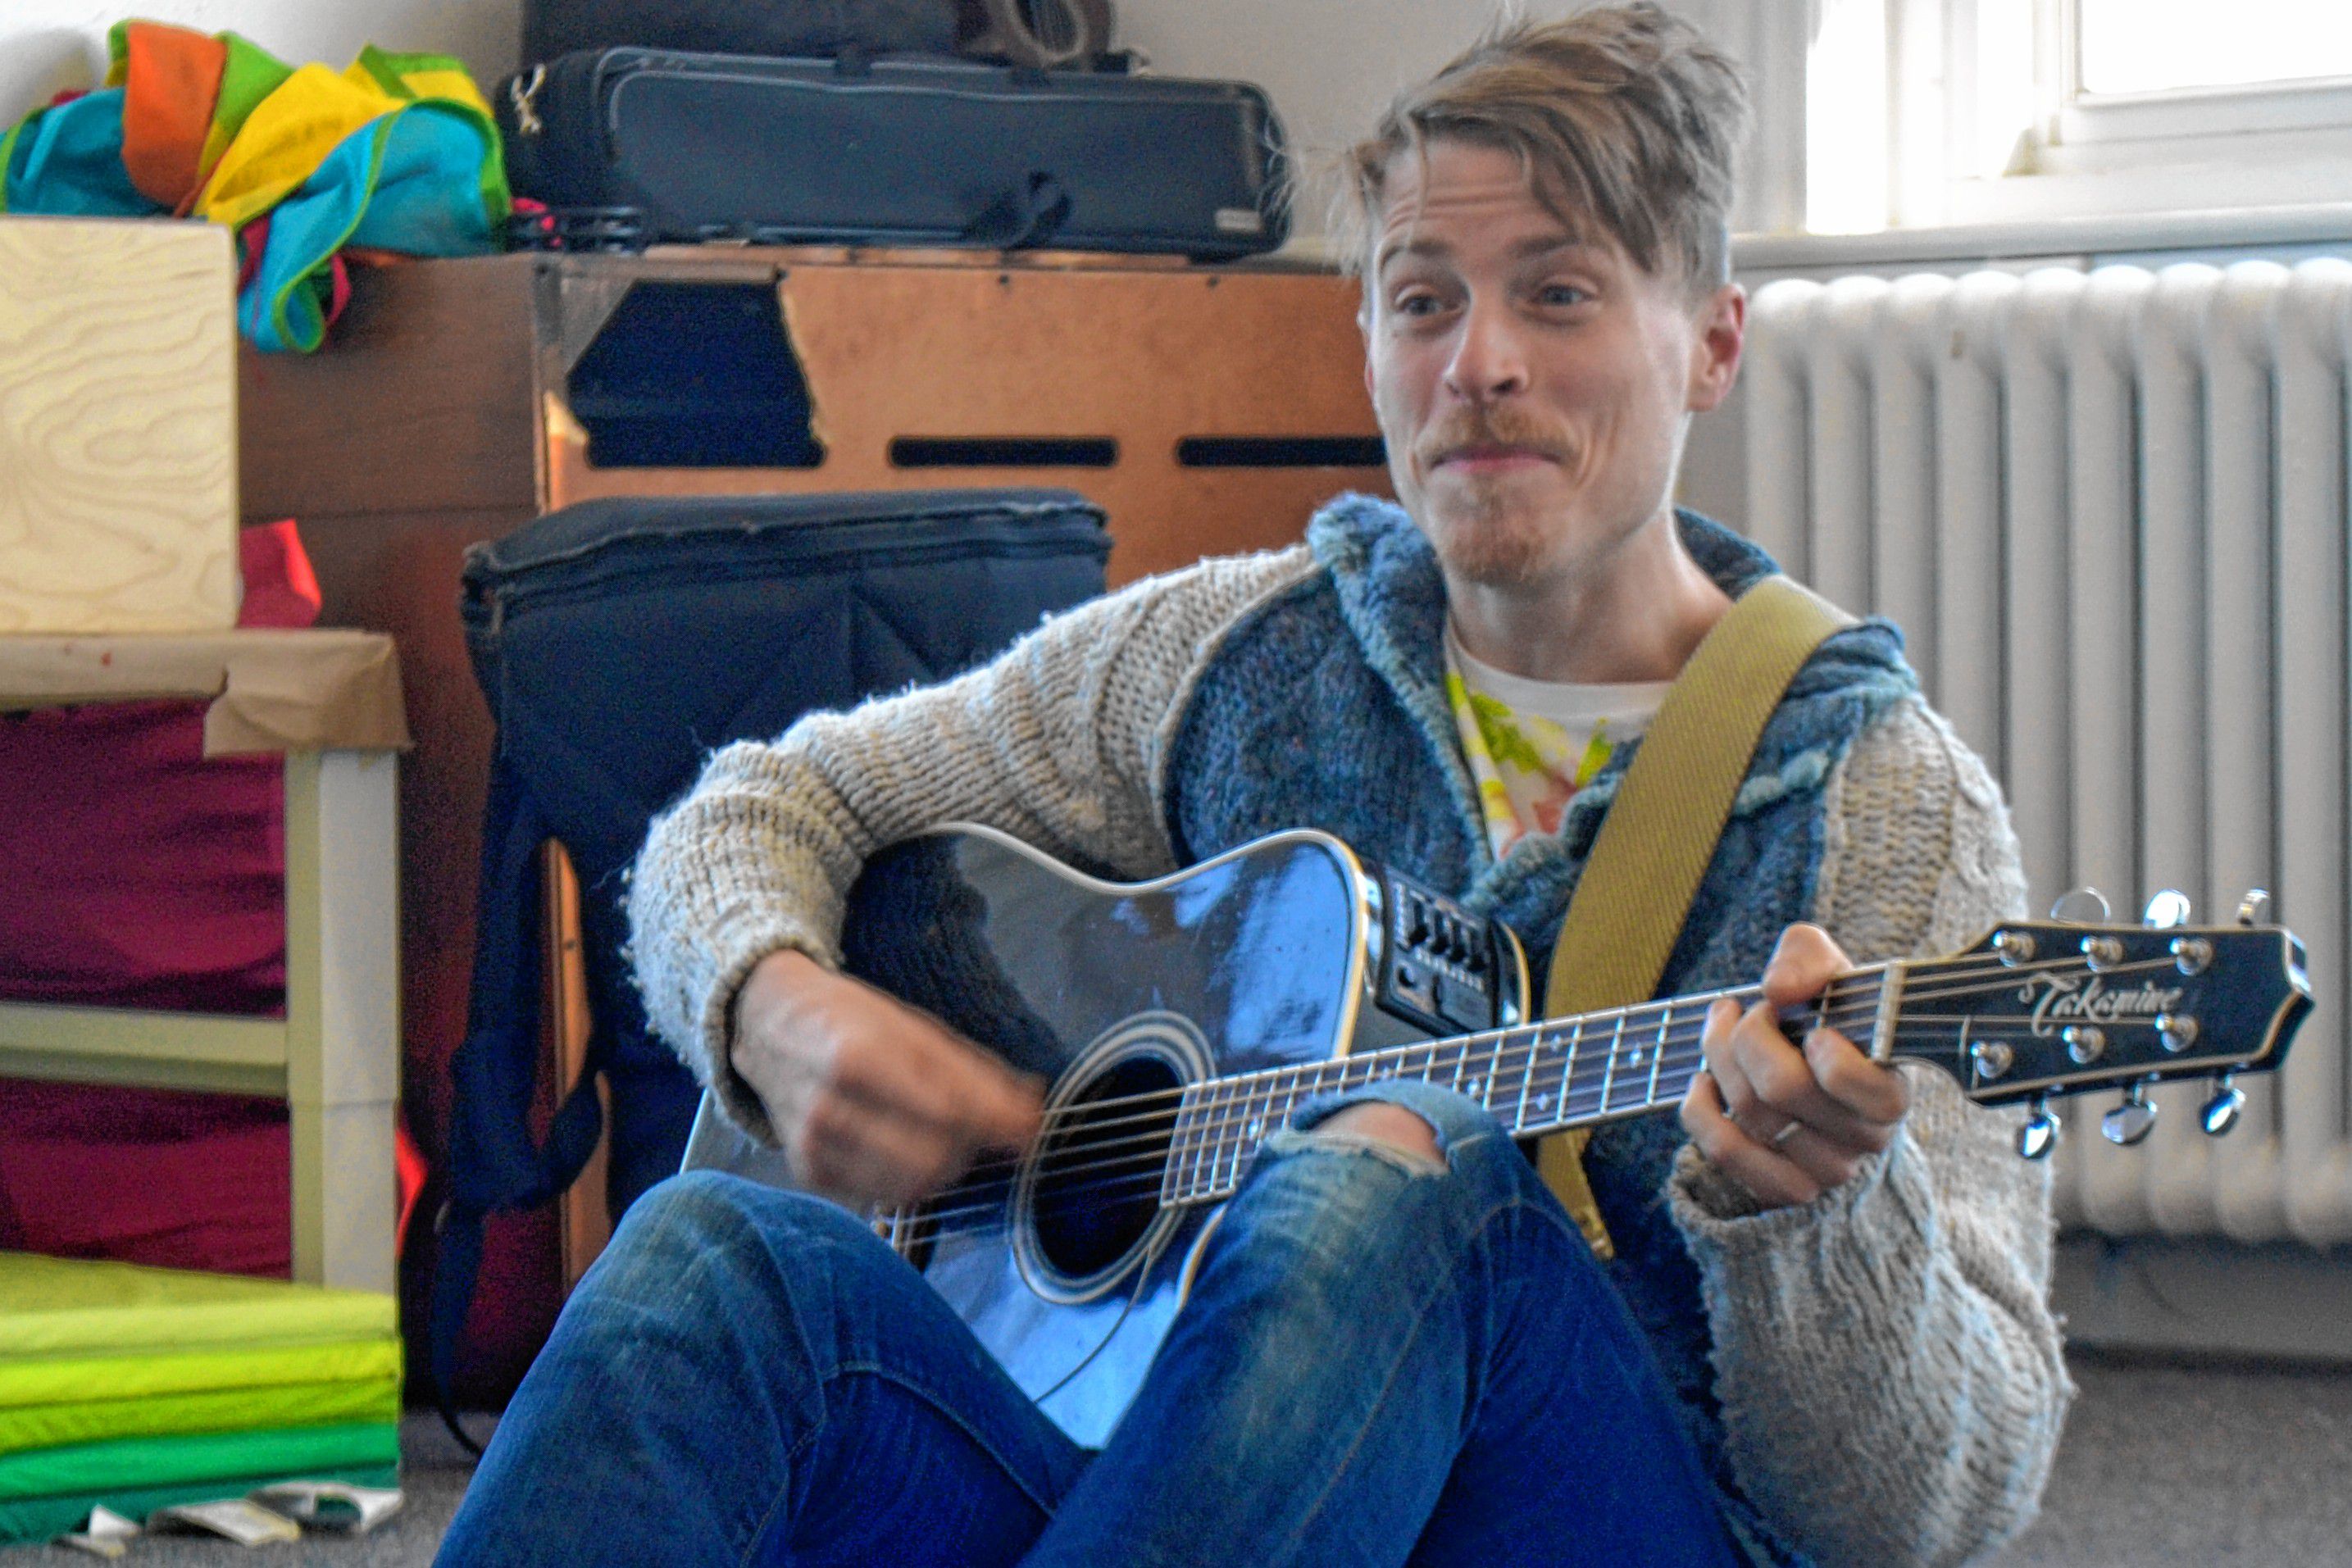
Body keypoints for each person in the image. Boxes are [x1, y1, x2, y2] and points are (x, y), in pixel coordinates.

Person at [438, 7, 2070, 1566]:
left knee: (1392, 1166)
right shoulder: (1232, 654)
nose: (1477, 362)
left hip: (1592, 1519)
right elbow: (753, 812)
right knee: (706, 1258)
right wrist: (777, 1012)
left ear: (1711, 340)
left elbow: (1932, 1506)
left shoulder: (1873, 795)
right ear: (1361, 337)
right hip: (1190, 1492)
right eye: (1420, 300)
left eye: (1557, 295)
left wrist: (1815, 1222)